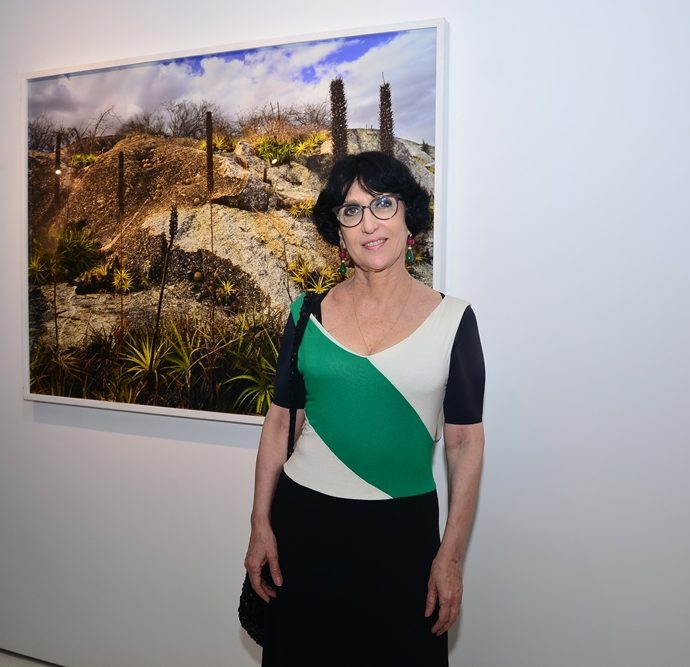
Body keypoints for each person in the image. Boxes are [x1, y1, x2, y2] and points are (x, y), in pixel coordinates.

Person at [244, 151, 485, 666]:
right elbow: (280, 422)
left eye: (383, 203)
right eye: (351, 211)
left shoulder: (454, 320)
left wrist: (451, 555)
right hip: (304, 528)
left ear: (408, 216)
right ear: (339, 231)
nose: (369, 223)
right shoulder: (306, 313)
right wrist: (260, 523)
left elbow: (465, 444)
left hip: (402, 538)